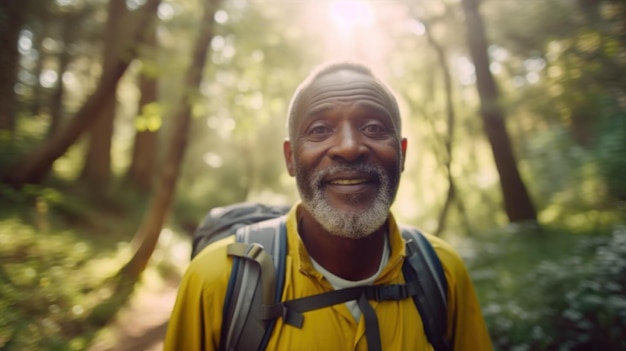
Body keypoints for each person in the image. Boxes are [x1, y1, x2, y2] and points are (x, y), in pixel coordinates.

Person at [164, 62, 493, 350]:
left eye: (374, 128)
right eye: (320, 130)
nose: (349, 148)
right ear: (291, 159)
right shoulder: (215, 280)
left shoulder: (443, 271)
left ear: (402, 153)